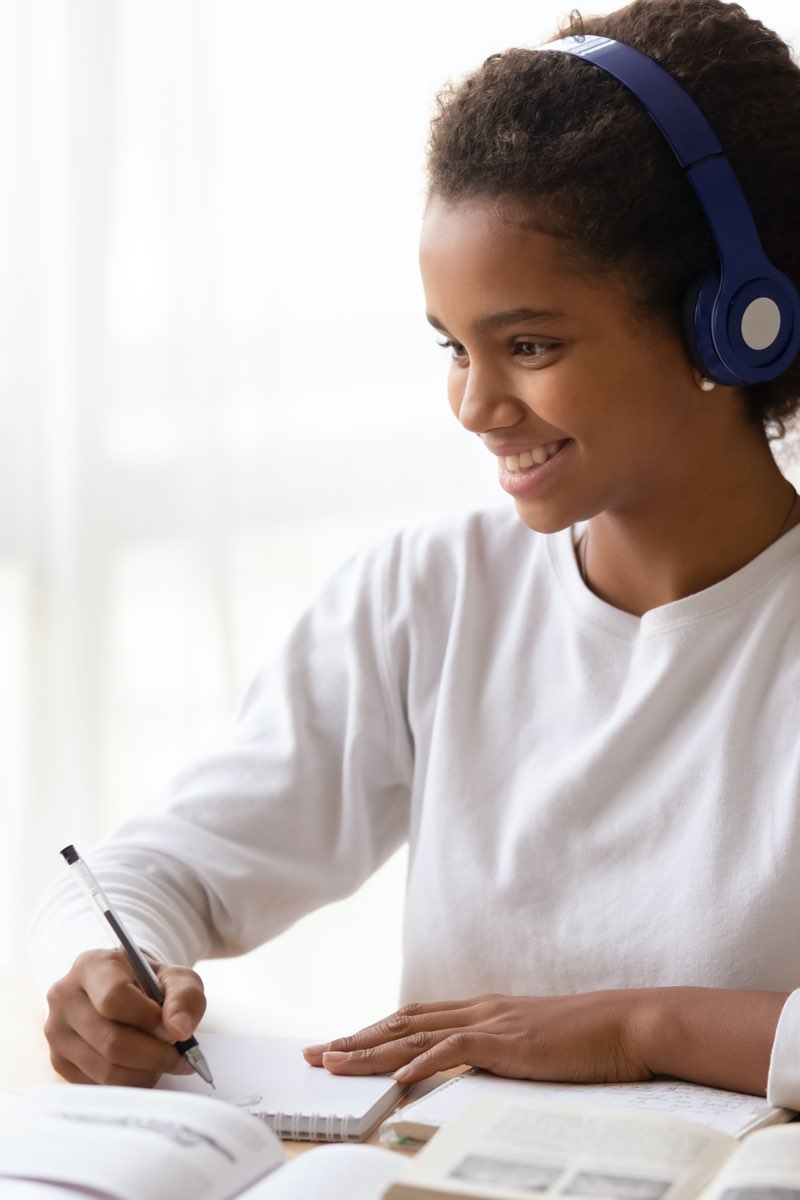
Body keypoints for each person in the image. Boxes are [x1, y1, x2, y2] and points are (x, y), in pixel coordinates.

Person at [30, 0, 800, 1107]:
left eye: (528, 345)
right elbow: (148, 869)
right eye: (453, 346)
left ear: (731, 321)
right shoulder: (429, 597)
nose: (476, 405)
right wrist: (98, 967)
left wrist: (643, 1024)